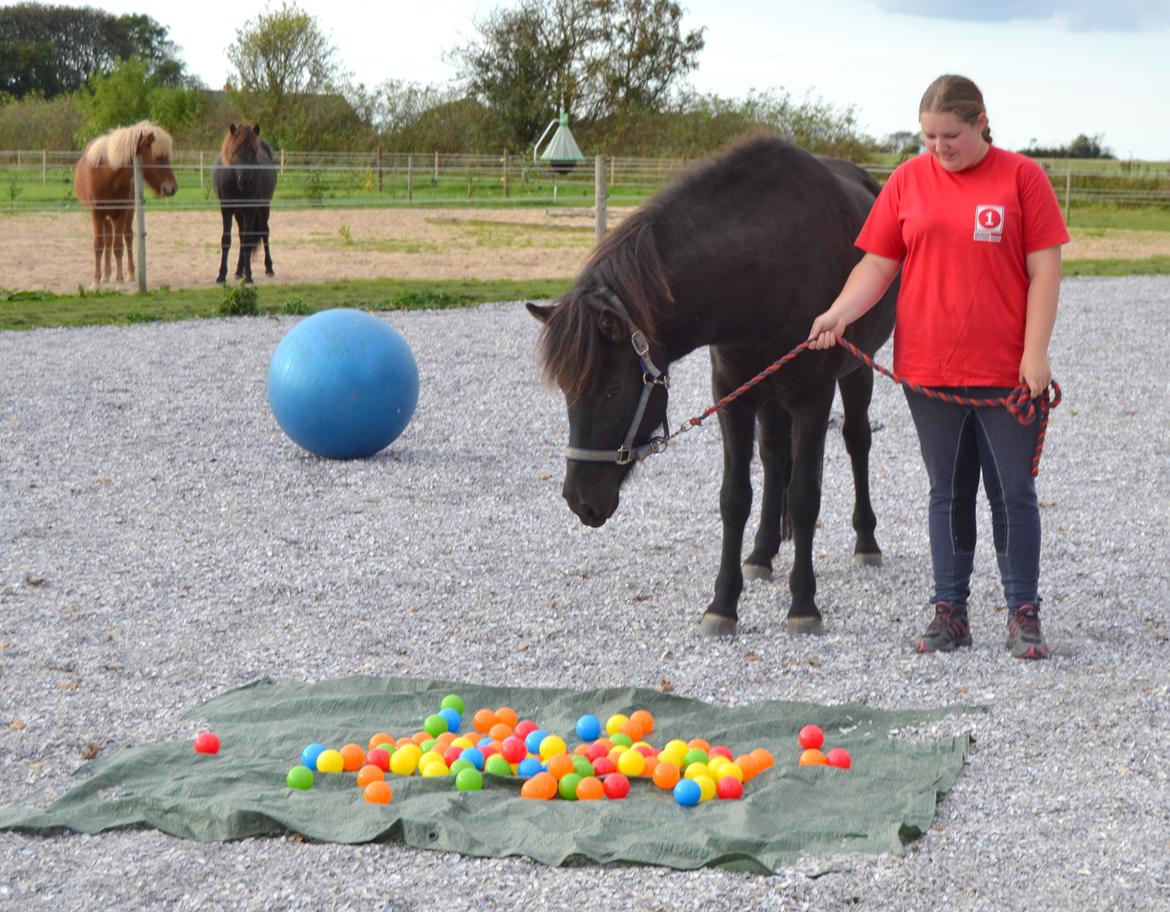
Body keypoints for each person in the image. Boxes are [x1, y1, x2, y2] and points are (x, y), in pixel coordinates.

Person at [808, 74, 1069, 659]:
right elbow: (877, 266)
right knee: (947, 492)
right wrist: (838, 314)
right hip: (928, 370)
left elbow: (1045, 272)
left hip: (1007, 370)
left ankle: (1022, 610)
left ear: (980, 121)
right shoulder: (906, 181)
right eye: (928, 137)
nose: (938, 148)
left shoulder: (1023, 179)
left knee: (1013, 492)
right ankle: (950, 610)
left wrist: (1035, 353)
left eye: (949, 135)